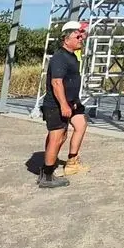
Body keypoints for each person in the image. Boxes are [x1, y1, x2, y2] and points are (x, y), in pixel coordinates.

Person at [37, 21, 88, 188]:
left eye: (81, 35)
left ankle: (67, 163)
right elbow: (57, 83)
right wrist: (64, 105)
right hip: (56, 105)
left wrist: (82, 30)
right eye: (77, 36)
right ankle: (48, 175)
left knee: (69, 131)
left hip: (69, 102)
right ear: (66, 39)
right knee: (56, 137)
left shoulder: (72, 55)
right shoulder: (59, 57)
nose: (81, 38)